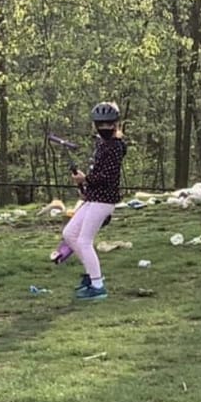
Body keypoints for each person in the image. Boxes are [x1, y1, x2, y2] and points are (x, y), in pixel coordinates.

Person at [60, 101, 127, 301]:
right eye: (100, 124)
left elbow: (107, 176)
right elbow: (96, 172)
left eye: (108, 124)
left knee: (84, 240)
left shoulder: (115, 147)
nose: (104, 128)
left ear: (116, 124)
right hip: (93, 198)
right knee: (69, 233)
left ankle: (98, 286)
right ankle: (92, 274)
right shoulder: (100, 144)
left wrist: (85, 180)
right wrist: (86, 189)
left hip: (104, 201)